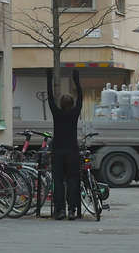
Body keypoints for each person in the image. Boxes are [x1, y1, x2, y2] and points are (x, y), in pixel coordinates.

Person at [46, 68, 83, 221]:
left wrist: (49, 79)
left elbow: (50, 98)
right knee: (72, 180)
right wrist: (76, 81)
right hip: (72, 149)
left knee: (58, 180)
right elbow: (81, 97)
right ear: (73, 104)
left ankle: (60, 210)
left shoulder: (56, 113)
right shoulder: (75, 113)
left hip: (58, 149)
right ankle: (72, 210)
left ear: (60, 104)